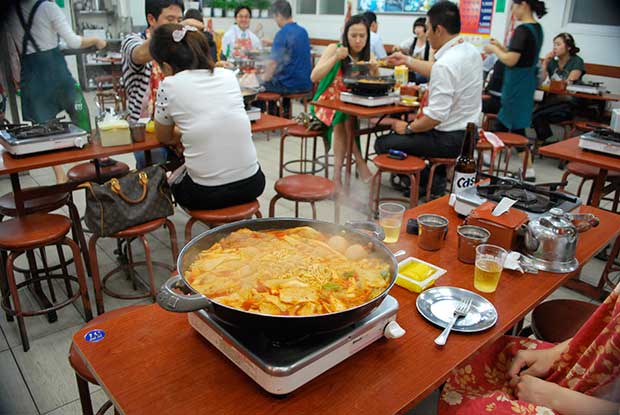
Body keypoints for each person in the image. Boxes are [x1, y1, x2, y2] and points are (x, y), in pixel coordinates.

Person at [438, 283, 620, 415]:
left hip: (584, 405)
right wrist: (555, 353)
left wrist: (555, 398)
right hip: (584, 371)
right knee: (485, 351)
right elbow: (606, 328)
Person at [151, 24, 265, 211]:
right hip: (253, 184)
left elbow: (163, 136)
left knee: (173, 178)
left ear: (165, 66)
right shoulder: (228, 76)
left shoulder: (169, 85)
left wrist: (188, 131)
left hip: (204, 194)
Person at [378, 1, 483, 196]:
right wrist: (407, 60)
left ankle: (425, 181)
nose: (426, 34)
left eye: (427, 28)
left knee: (384, 143)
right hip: (470, 136)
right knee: (413, 134)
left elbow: (434, 117)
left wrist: (407, 128)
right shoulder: (470, 51)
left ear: (439, 30)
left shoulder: (447, 63)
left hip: (448, 140)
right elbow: (438, 70)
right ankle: (435, 178)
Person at [8, 0, 106, 183]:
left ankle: (60, 175)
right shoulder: (48, 7)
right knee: (80, 114)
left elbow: (15, 49)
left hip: (31, 75)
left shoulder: (11, 13)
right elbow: (74, 41)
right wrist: (96, 40)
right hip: (55, 74)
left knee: (44, 129)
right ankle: (91, 165)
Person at [120, 0, 203, 169]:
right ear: (151, 19)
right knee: (155, 185)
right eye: (170, 19)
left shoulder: (179, 45)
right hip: (147, 131)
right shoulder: (132, 41)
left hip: (178, 126)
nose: (176, 25)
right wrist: (175, 33)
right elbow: (138, 55)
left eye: (179, 20)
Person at [483, 0, 546, 181]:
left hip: (516, 85)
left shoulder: (522, 30)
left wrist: (494, 49)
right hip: (526, 84)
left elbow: (511, 60)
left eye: (514, 7)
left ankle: (527, 169)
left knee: (512, 125)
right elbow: (521, 56)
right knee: (506, 122)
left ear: (523, 5)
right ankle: (490, 156)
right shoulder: (537, 29)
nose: (513, 12)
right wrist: (502, 48)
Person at [310, 14, 376, 185]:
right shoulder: (335, 48)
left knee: (345, 115)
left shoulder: (368, 56)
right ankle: (357, 165)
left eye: (362, 36)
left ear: (368, 37)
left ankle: (338, 177)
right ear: (346, 35)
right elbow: (314, 77)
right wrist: (335, 58)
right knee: (343, 117)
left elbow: (374, 83)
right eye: (353, 35)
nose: (358, 40)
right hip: (324, 103)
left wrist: (374, 68)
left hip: (350, 104)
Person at [260, 0, 312, 117]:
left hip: (290, 85)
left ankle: (272, 116)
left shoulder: (282, 33)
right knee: (276, 78)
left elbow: (272, 64)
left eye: (274, 17)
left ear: (278, 15)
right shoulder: (302, 31)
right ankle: (284, 113)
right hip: (305, 84)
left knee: (260, 85)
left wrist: (263, 78)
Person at [532, 32, 585, 143]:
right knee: (536, 114)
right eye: (554, 45)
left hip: (568, 103)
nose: (555, 47)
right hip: (553, 101)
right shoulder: (552, 63)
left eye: (558, 44)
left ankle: (543, 142)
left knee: (538, 114)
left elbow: (569, 82)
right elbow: (542, 79)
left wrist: (555, 85)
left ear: (569, 47)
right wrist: (545, 62)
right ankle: (544, 141)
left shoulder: (576, 61)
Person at [395, 17, 433, 83]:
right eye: (415, 27)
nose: (416, 30)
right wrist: (399, 50)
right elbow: (396, 48)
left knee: (417, 77)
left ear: (426, 29)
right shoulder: (412, 40)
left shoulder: (430, 43)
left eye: (419, 27)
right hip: (411, 70)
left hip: (422, 72)